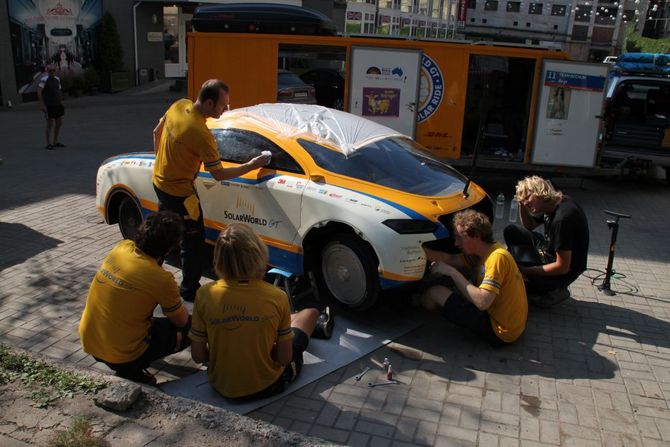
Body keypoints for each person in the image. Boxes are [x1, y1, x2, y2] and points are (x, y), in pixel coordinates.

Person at [152, 79, 271, 302]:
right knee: (193, 243)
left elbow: (156, 132)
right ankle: (188, 291)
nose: (226, 110)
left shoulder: (179, 105)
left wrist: (163, 160)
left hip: (159, 183)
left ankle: (146, 276)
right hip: (181, 195)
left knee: (161, 233)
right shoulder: (201, 134)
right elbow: (218, 174)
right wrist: (251, 166)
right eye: (222, 106)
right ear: (208, 103)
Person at [189, 223, 319, 399]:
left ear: (218, 258)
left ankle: (284, 322)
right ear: (258, 254)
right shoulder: (276, 296)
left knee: (283, 322)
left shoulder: (204, 295)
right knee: (310, 314)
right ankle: (302, 322)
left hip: (220, 384)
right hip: (268, 385)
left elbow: (198, 356)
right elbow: (284, 358)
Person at [79, 211, 191, 384]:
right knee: (194, 326)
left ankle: (131, 363)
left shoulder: (121, 248)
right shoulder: (161, 279)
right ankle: (132, 370)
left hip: (90, 342)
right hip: (122, 356)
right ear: (169, 248)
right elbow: (181, 322)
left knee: (148, 319)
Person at [421, 210, 527, 346]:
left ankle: (415, 303)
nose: (456, 243)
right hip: (509, 325)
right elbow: (449, 258)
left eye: (459, 238)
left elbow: (483, 303)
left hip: (501, 331)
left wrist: (452, 272)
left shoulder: (497, 258)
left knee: (435, 292)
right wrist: (418, 250)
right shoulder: (484, 252)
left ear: (476, 236)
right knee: (454, 287)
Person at [504, 176, 589, 308]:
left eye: (527, 198)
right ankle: (531, 271)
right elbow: (529, 225)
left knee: (518, 278)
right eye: (522, 199)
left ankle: (555, 290)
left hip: (565, 269)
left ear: (540, 192)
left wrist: (527, 271)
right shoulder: (552, 202)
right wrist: (522, 204)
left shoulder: (562, 219)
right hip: (551, 248)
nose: (525, 202)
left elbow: (562, 266)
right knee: (511, 231)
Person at [37, 64, 65, 150]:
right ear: (47, 71)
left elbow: (58, 90)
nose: (52, 72)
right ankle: (48, 143)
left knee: (59, 123)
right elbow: (39, 92)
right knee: (50, 124)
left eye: (53, 70)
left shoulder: (57, 79)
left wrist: (60, 101)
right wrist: (42, 104)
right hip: (49, 105)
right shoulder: (44, 80)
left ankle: (55, 142)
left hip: (57, 104)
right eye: (50, 71)